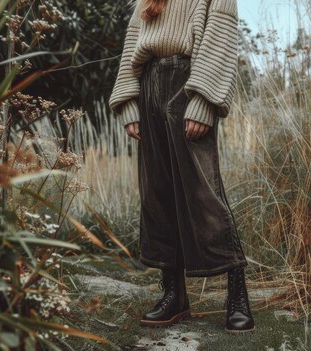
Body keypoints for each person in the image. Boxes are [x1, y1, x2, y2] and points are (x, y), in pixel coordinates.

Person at [108, 0, 254, 333]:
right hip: (149, 85)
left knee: (204, 193)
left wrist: (203, 101)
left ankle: (237, 297)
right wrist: (129, 103)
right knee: (157, 193)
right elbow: (134, 40)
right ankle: (174, 296)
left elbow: (219, 37)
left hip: (187, 83)